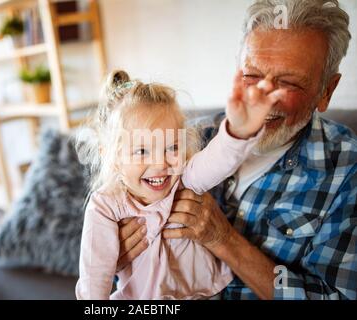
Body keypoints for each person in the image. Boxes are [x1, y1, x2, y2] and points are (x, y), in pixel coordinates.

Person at [116, 0, 356, 300]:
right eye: (252, 75)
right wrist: (120, 254)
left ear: (327, 91)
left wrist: (224, 240)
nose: (262, 97)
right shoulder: (191, 139)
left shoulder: (347, 171)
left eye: (288, 82)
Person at [75, 69, 285, 299]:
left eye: (172, 147)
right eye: (141, 151)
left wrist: (240, 130)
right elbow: (94, 277)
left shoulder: (184, 178)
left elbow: (219, 159)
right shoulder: (105, 206)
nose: (160, 163)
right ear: (112, 158)